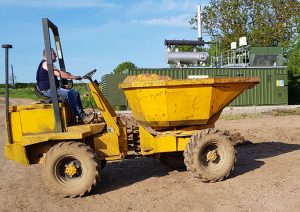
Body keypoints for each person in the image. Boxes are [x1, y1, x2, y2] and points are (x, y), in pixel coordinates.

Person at [36, 48, 93, 124]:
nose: (55, 55)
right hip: (48, 91)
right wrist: (73, 77)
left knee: (71, 93)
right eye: (54, 53)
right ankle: (82, 116)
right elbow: (59, 74)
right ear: (49, 54)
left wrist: (61, 86)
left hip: (51, 90)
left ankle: (76, 118)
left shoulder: (47, 64)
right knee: (73, 93)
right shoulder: (46, 63)